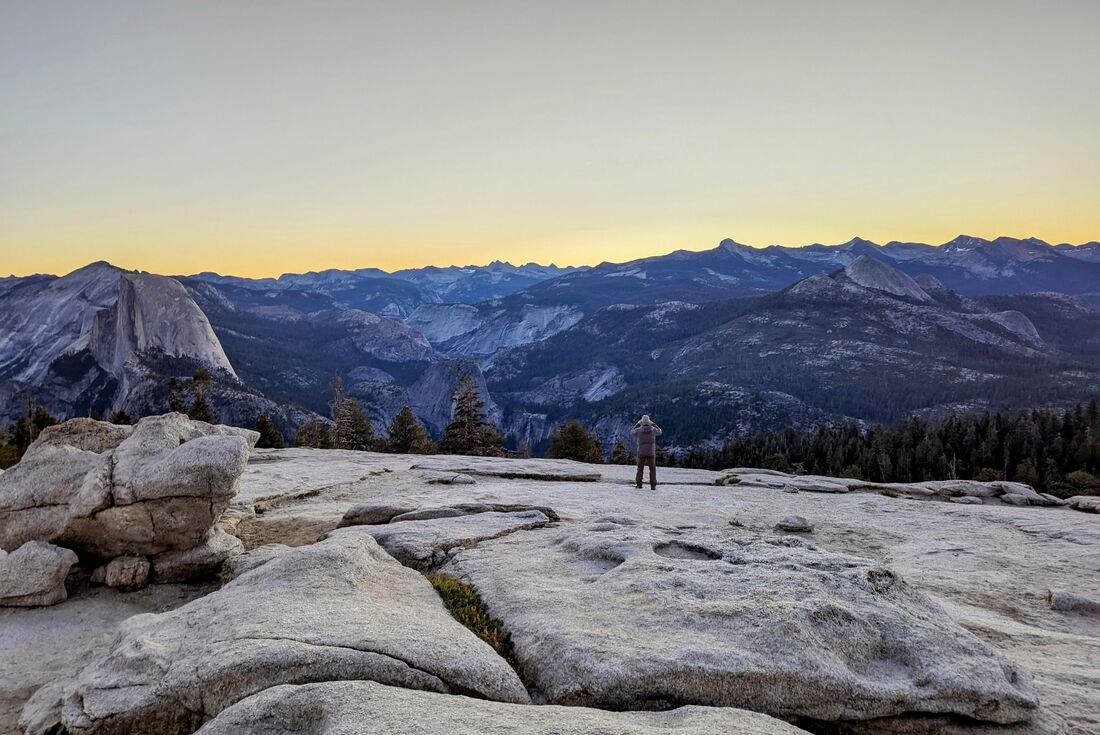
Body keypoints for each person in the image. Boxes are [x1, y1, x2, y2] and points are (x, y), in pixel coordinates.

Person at [631, 415, 662, 489]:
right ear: (648, 422)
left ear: (642, 422)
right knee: (652, 469)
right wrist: (653, 424)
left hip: (641, 452)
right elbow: (660, 432)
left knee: (640, 469)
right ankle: (653, 485)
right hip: (651, 452)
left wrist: (638, 424)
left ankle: (639, 484)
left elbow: (632, 432)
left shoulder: (639, 430)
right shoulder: (653, 429)